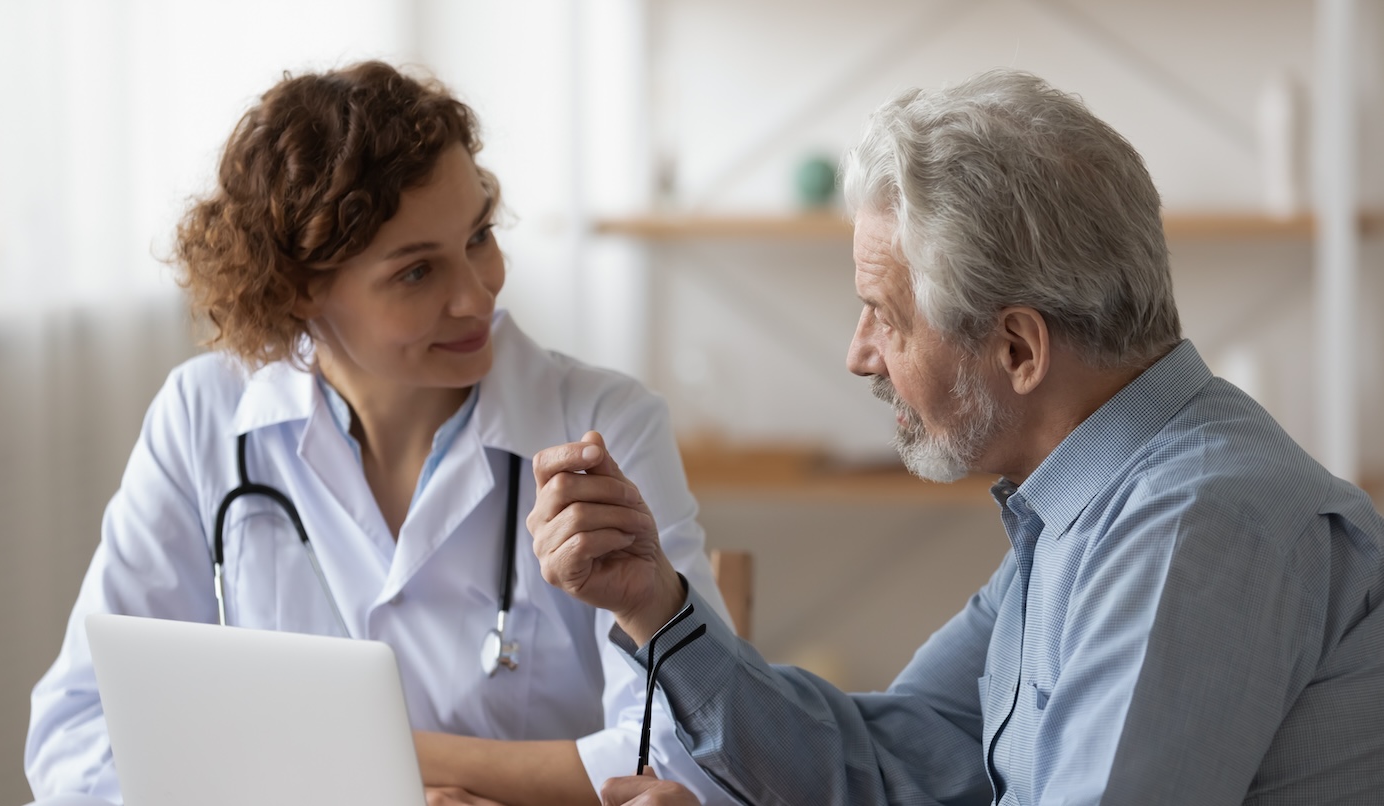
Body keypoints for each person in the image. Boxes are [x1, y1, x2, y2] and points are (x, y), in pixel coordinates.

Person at [530, 69, 1384, 805]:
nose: (858, 353)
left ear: (1017, 348)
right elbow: (894, 761)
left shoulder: (1196, 525)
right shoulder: (1084, 503)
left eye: (886, 316)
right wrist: (655, 603)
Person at [23, 61, 739, 806]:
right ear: (300, 286)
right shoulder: (201, 421)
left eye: (479, 237)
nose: (476, 294)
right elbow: (79, 732)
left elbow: (693, 753)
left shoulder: (603, 424)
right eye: (416, 273)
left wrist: (381, 759)